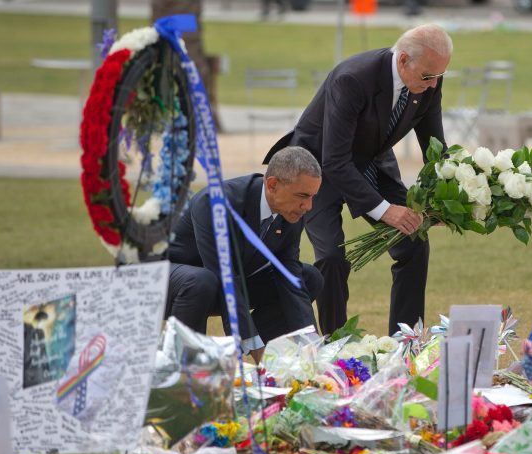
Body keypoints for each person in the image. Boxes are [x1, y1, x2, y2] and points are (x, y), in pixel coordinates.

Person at [264, 24, 453, 336]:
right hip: (317, 165)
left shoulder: (429, 80)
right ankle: (337, 344)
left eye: (439, 77)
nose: (433, 85)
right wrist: (385, 210)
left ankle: (404, 342)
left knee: (413, 241)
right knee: (331, 258)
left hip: (371, 161)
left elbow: (436, 149)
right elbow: (335, 161)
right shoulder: (353, 78)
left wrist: (450, 194)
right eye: (428, 77)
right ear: (403, 60)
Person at [165, 146, 323, 363]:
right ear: (273, 184)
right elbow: (223, 274)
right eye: (303, 196)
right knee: (202, 280)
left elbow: (289, 274)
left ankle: (275, 359)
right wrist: (254, 347)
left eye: (313, 196)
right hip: (174, 282)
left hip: (221, 281)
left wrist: (311, 343)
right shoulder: (216, 202)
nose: (308, 206)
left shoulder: (292, 210)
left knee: (309, 277)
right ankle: (186, 366)